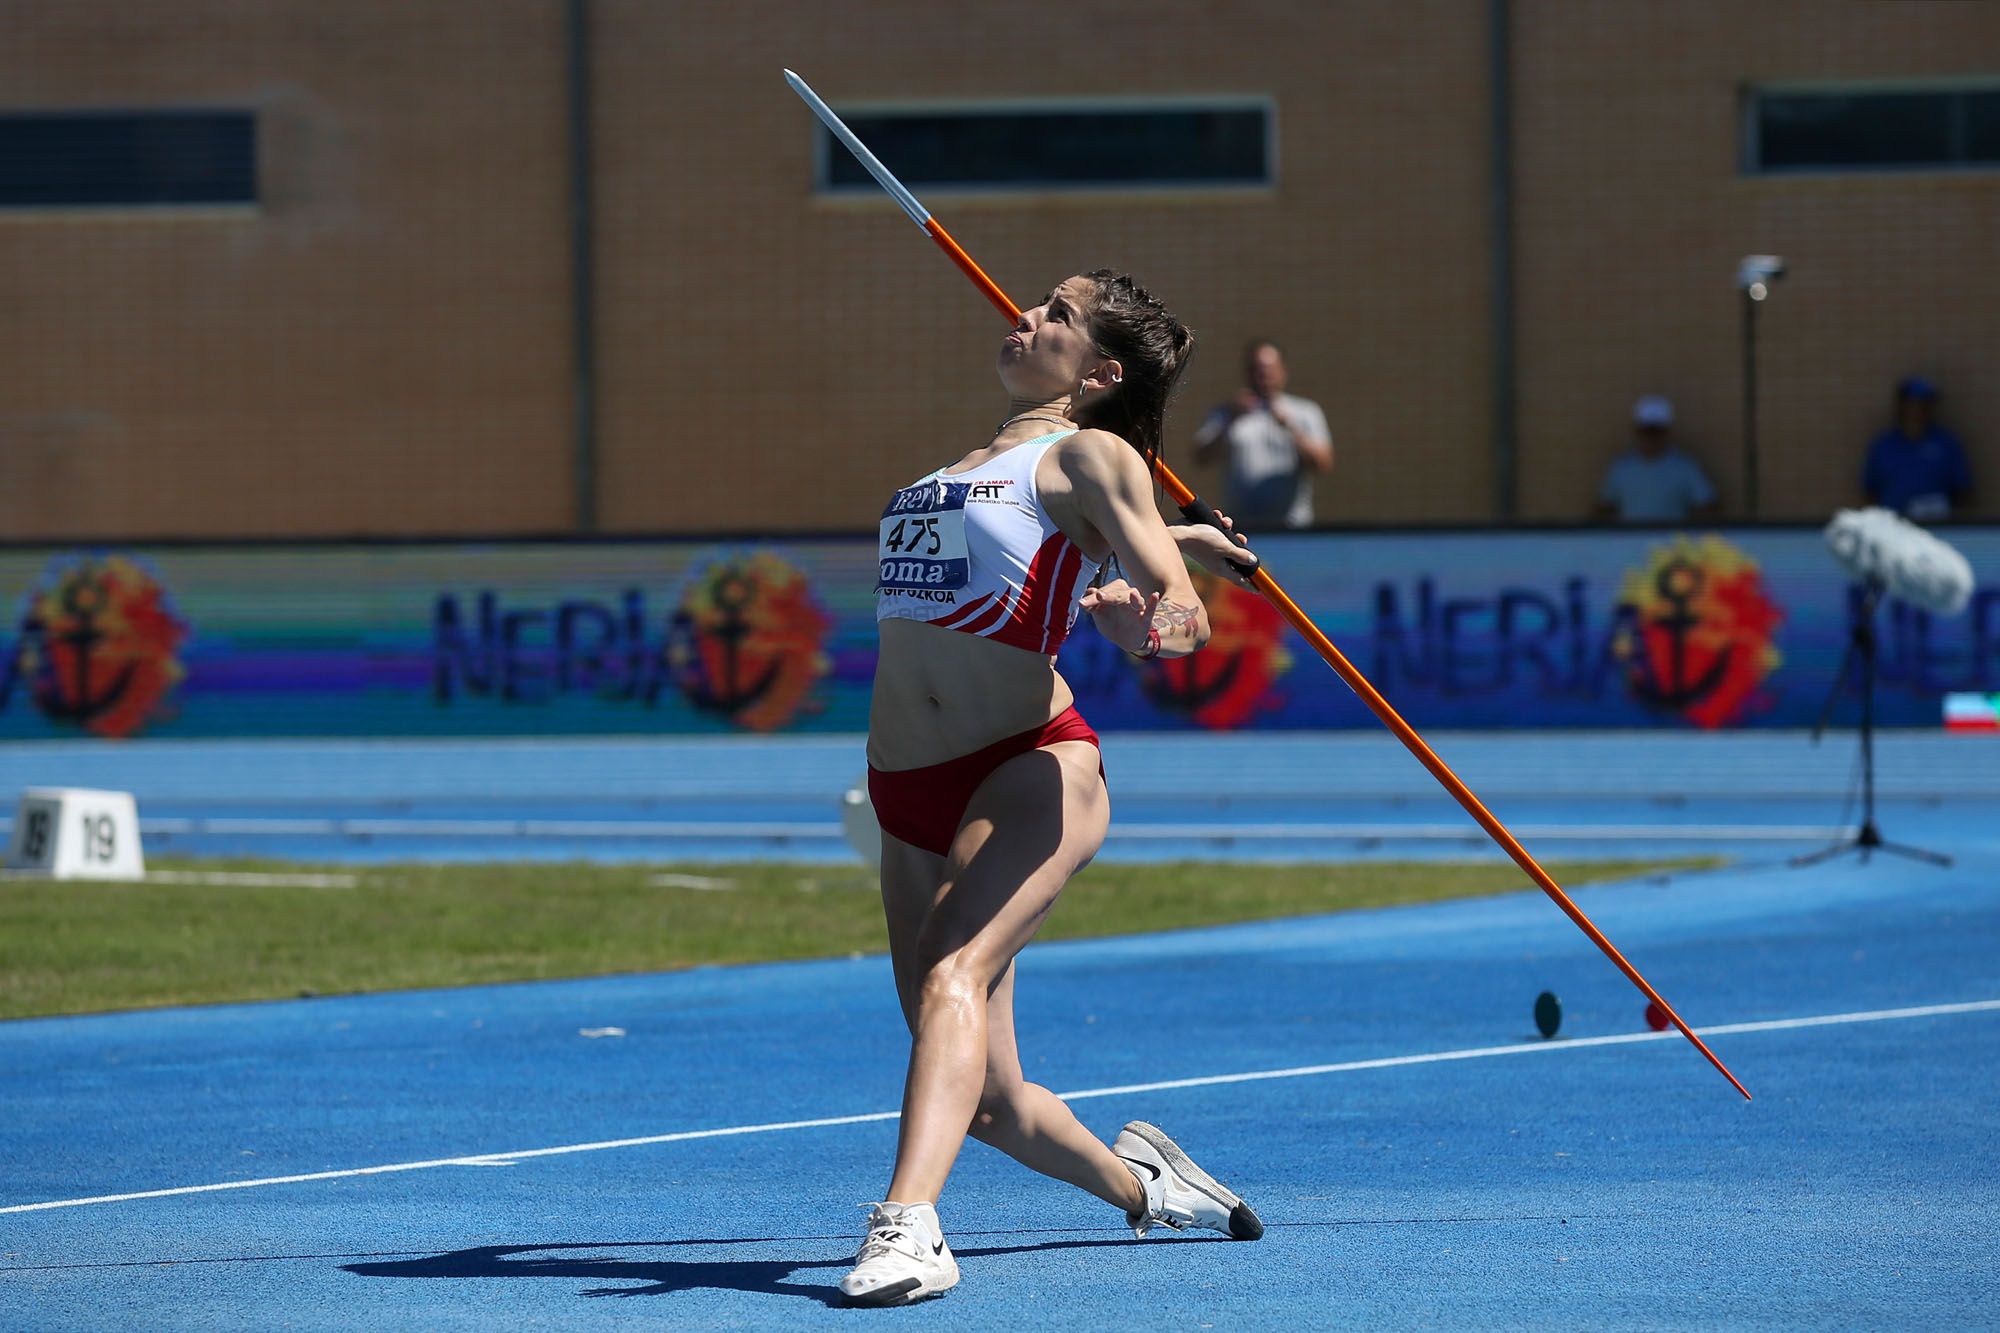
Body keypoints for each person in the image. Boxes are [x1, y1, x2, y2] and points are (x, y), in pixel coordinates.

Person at [848, 270, 1265, 1306]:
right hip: (905, 794)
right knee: (985, 1100)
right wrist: (1169, 545)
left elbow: (1176, 614)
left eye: (1057, 315)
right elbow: (1032, 554)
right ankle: (1146, 1184)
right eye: (1036, 302)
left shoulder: (1092, 451)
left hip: (1028, 765)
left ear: (1098, 373)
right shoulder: (968, 466)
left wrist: (1154, 612)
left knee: (952, 970)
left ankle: (907, 1229)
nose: (1025, 316)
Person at [1192, 339, 1333, 529]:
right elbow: (1201, 457)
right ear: (1247, 372)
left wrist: (1290, 427)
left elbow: (1323, 464)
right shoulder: (1228, 412)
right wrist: (1230, 420)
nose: (1263, 376)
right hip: (1241, 526)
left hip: (1292, 525)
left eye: (1269, 370)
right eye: (1257, 369)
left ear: (1283, 371)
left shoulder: (1304, 412)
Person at [1593, 394, 1720, 524]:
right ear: (1636, 431)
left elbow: (1707, 506)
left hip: (1671, 542)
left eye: (1656, 432)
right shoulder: (1621, 467)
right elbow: (1604, 508)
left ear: (1667, 432)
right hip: (1630, 541)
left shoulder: (1685, 467)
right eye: (1646, 431)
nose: (1651, 438)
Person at [1863, 376, 1972, 521]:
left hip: (1937, 527)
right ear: (1902, 406)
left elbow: (1962, 488)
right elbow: (1870, 489)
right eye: (1914, 404)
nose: (1919, 410)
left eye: (1925, 404)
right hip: (1894, 526)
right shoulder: (1884, 445)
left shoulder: (1946, 443)